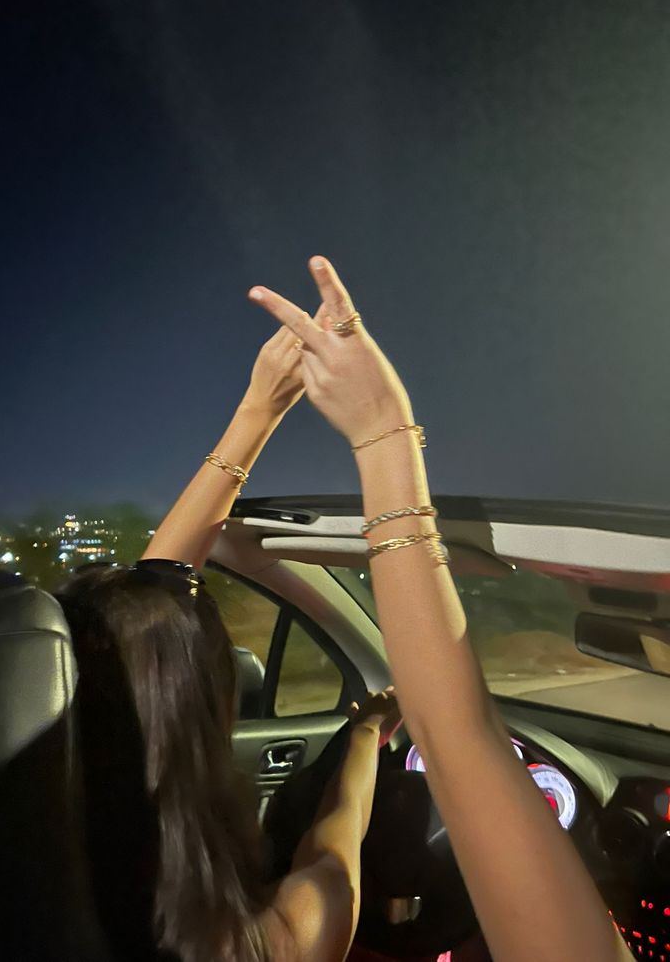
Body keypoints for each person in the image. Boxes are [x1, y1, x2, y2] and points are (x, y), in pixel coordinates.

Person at [249, 255, 634, 962]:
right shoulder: (288, 934)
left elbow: (451, 741)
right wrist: (383, 433)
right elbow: (452, 744)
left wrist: (369, 433)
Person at [57, 321, 400, 962]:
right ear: (203, 706)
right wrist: (365, 735)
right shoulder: (242, 946)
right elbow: (333, 854)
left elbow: (147, 607)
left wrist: (258, 409)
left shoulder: (11, 858)